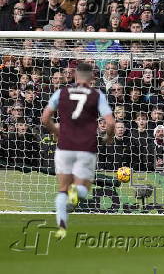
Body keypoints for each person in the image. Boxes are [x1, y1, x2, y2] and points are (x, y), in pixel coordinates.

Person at [40, 63, 115, 239]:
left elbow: (44, 118)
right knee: (82, 187)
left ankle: (61, 227)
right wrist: (109, 137)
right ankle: (77, 192)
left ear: (75, 76)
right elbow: (110, 123)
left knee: (62, 189)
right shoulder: (97, 95)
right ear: (92, 78)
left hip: (64, 146)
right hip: (86, 148)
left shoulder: (61, 92)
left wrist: (56, 131)